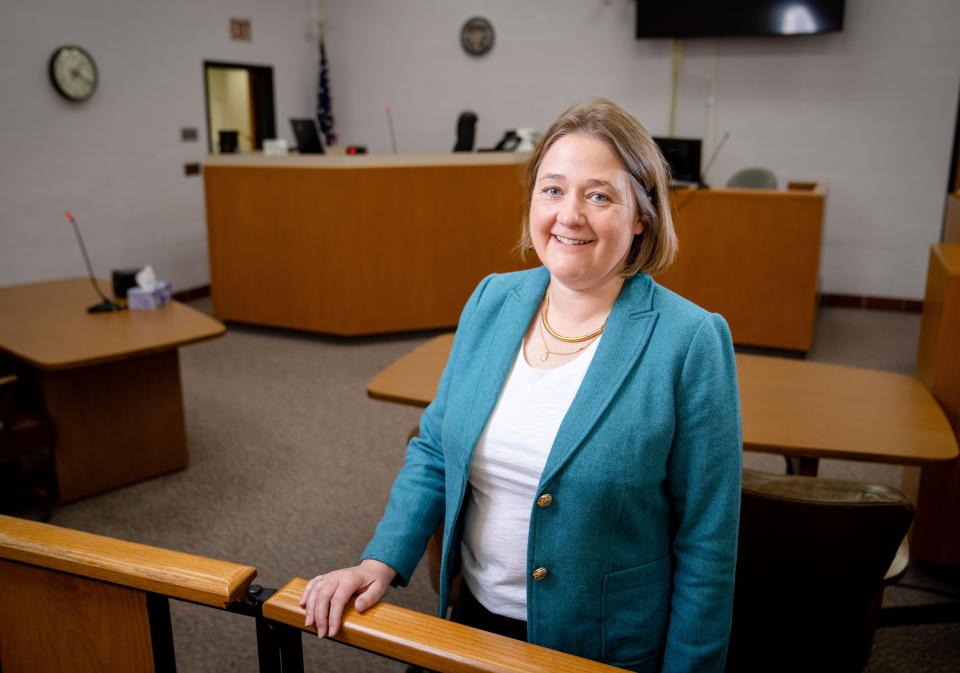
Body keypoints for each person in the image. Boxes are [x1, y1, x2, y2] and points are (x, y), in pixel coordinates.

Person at [300, 98, 742, 673]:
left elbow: (708, 541)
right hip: (471, 625)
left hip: (599, 648)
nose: (570, 214)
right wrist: (378, 562)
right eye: (553, 189)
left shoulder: (691, 341)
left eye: (600, 195)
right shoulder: (492, 300)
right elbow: (435, 449)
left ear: (642, 215)